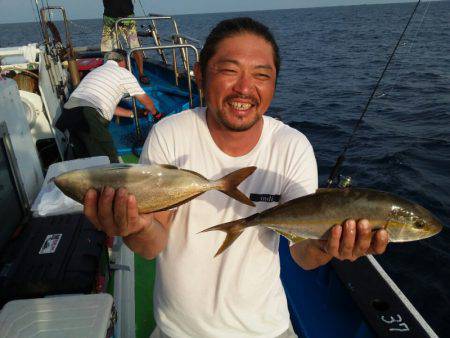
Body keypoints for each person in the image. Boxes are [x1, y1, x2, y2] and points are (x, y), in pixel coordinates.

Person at [83, 18, 389, 337]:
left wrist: (330, 246)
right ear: (200, 75)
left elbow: (303, 256)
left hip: (266, 329)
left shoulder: (291, 146)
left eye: (261, 75)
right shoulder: (169, 135)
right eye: (229, 70)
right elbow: (151, 244)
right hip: (178, 331)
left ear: (274, 84)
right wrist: (135, 226)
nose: (245, 88)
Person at [56, 50, 163, 163]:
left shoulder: (96, 71)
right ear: (122, 61)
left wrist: (133, 113)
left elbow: (106, 106)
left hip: (68, 114)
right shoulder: (123, 72)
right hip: (87, 115)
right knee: (108, 159)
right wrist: (156, 113)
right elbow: (144, 99)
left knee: (85, 159)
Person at [101, 0, 150, 84]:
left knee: (135, 46)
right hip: (110, 19)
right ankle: (111, 74)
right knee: (107, 49)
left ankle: (141, 74)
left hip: (128, 18)